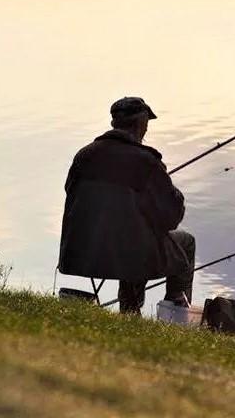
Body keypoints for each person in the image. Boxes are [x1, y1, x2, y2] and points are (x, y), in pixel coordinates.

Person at [58, 96, 195, 315]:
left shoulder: (84, 155)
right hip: (127, 254)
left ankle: (130, 310)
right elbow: (171, 218)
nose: (146, 130)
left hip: (84, 250)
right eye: (147, 124)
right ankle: (175, 314)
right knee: (184, 241)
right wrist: (171, 190)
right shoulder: (147, 162)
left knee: (131, 234)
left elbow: (71, 193)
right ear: (141, 124)